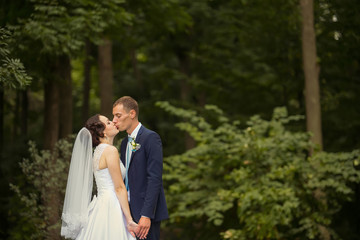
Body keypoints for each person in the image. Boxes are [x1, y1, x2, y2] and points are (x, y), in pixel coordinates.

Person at [61, 114, 138, 240]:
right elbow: (119, 187)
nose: (113, 122)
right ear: (101, 133)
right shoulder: (110, 151)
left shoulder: (97, 151)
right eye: (108, 123)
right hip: (111, 205)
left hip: (102, 204)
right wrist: (129, 220)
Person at [112, 96, 169, 240]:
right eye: (113, 116)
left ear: (132, 114)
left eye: (118, 116)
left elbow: (154, 179)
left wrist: (146, 215)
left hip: (145, 213)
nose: (114, 120)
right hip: (127, 212)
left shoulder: (151, 138)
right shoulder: (125, 143)